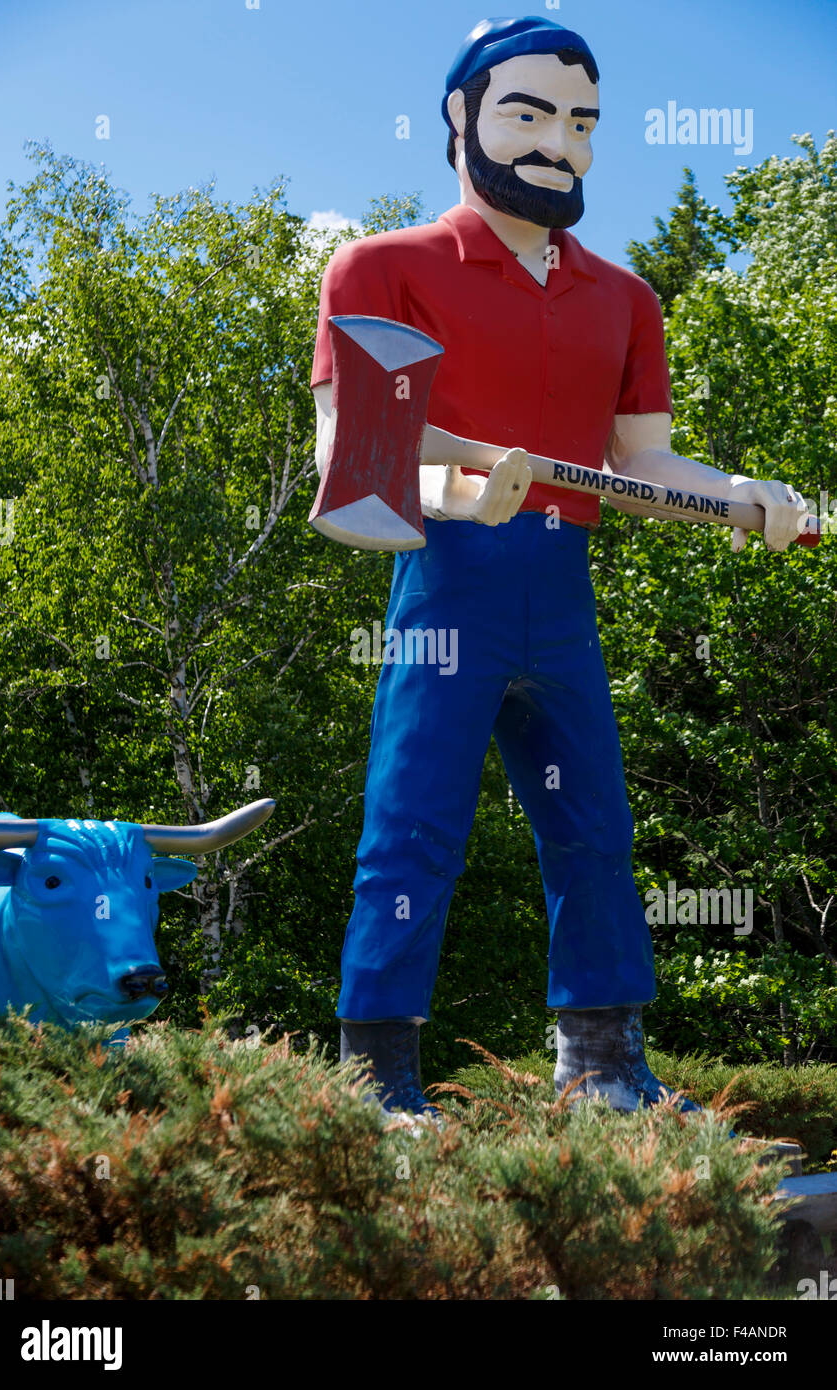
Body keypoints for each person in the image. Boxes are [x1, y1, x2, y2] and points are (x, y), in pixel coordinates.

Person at [311, 17, 809, 1121]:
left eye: (580, 122)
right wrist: (455, 483)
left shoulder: (623, 298)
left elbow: (643, 461)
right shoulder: (382, 269)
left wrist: (743, 499)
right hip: (449, 585)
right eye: (528, 113)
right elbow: (349, 453)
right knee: (412, 825)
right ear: (461, 117)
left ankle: (603, 1068)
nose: (558, 143)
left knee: (591, 826)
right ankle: (374, 1080)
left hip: (560, 583)